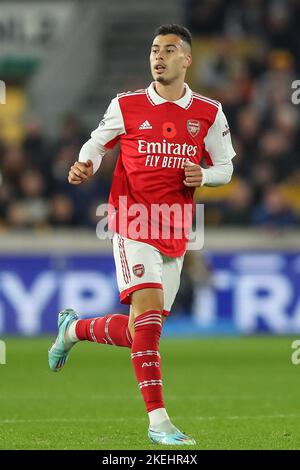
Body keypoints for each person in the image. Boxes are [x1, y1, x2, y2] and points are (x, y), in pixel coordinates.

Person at [48, 24, 235, 445]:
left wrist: (205, 173)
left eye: (169, 50)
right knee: (149, 323)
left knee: (139, 332)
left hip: (176, 229)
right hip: (131, 222)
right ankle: (159, 422)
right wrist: (85, 164)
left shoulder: (208, 111)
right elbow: (96, 144)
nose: (159, 56)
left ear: (187, 59)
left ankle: (72, 330)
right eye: (154, 49)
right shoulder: (127, 104)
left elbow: (226, 167)